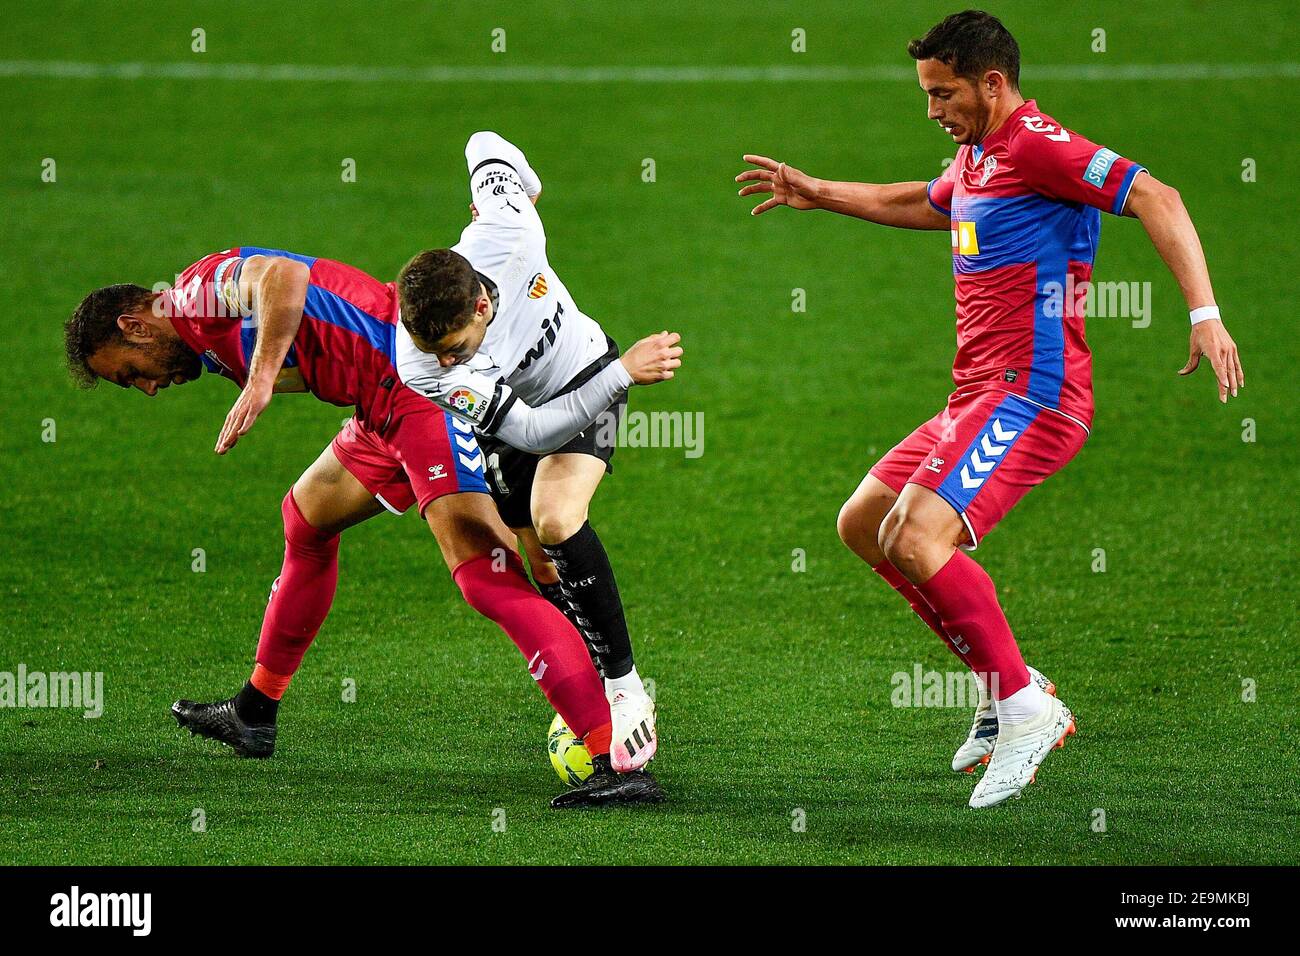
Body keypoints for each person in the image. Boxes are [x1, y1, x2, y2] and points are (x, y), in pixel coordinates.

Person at [735, 9, 1243, 807]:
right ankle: (1003, 682)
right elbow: (930, 204)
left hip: (1035, 396)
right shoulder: (977, 155)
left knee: (915, 533)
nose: (932, 111)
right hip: (975, 394)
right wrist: (820, 192)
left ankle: (1024, 708)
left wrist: (1203, 316)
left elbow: (1159, 196)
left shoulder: (1039, 144)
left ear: (992, 83)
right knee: (863, 524)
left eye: (943, 94)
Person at [64, 244, 682, 807]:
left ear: (135, 324)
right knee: (305, 518)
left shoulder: (193, 293)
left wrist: (257, 383)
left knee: (483, 573)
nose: (146, 388)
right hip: (378, 403)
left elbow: (285, 276)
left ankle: (614, 758)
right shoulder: (201, 339)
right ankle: (255, 710)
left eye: (130, 370)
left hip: (416, 388)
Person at [395, 131, 664, 781]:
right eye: (439, 353)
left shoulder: (513, 231)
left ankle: (623, 688)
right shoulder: (421, 365)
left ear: (484, 302)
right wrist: (628, 371)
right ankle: (580, 677)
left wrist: (620, 373)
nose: (449, 364)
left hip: (586, 375)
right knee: (536, 554)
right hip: (519, 420)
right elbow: (536, 433)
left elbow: (483, 142)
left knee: (556, 517)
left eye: (458, 346)